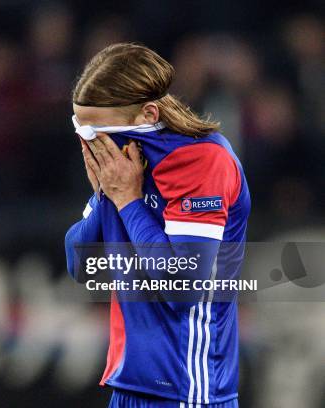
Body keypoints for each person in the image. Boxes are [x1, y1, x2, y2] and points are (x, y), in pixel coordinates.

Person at [65, 43, 250, 407]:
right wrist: (105, 195)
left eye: (97, 133)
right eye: (80, 130)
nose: (89, 145)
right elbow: (81, 267)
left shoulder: (201, 161)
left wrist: (128, 202)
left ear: (147, 114)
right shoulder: (124, 166)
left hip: (188, 387)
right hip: (129, 385)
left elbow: (182, 289)